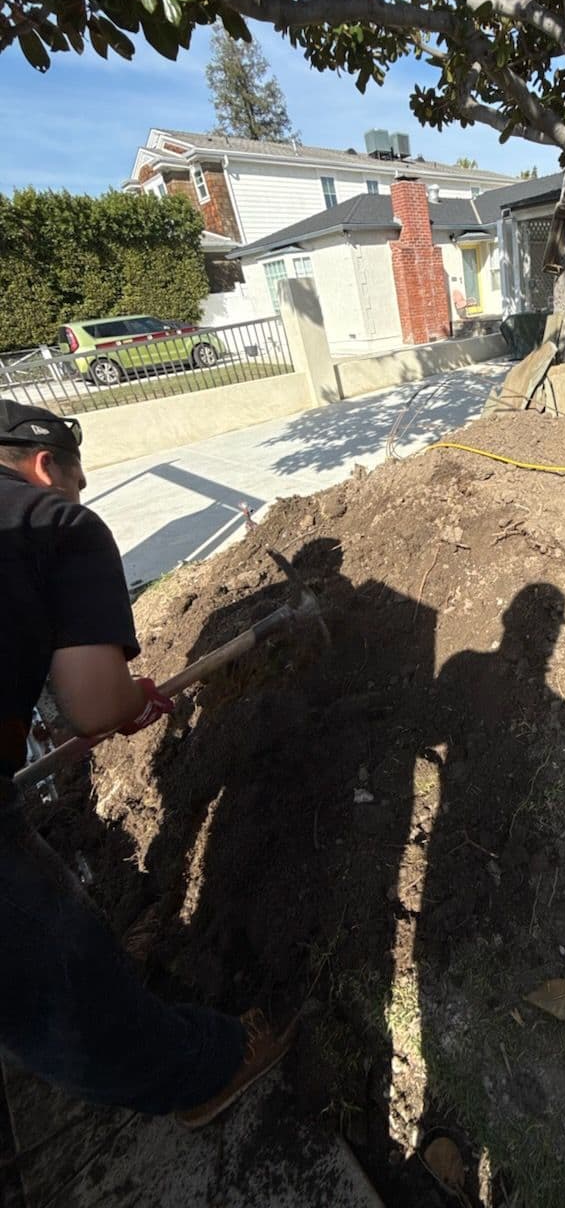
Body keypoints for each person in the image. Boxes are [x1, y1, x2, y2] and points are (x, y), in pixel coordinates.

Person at [0, 400, 289, 1127]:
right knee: (57, 972)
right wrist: (126, 699)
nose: (80, 493)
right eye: (77, 479)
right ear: (44, 468)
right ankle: (204, 1072)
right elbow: (95, 706)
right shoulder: (51, 522)